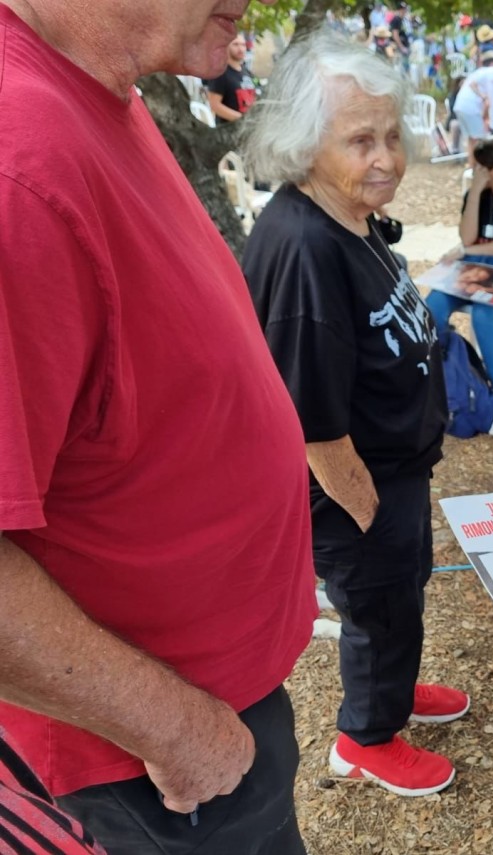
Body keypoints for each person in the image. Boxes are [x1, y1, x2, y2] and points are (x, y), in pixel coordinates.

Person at [0, 0, 318, 850]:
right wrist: (172, 730)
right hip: (143, 763)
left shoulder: (107, 90)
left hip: (203, 718)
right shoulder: (18, 162)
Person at [242, 31, 469, 799]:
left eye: (392, 135)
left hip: (393, 468)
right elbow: (311, 423)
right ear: (307, 147)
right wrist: (370, 511)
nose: (387, 157)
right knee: (376, 605)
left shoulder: (351, 214)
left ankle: (395, 697)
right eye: (360, 140)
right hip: (351, 484)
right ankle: (366, 735)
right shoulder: (304, 248)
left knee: (405, 592)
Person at [424, 139, 493, 440]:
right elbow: (466, 234)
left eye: (478, 169)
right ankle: (439, 381)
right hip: (470, 264)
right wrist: (474, 192)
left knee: (484, 318)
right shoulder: (478, 195)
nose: (473, 172)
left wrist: (466, 249)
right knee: (430, 311)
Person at [205, 33, 256, 122]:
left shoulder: (246, 71)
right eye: (235, 44)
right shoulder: (220, 73)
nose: (240, 49)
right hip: (229, 130)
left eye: (243, 45)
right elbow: (214, 105)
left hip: (249, 129)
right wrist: (241, 119)